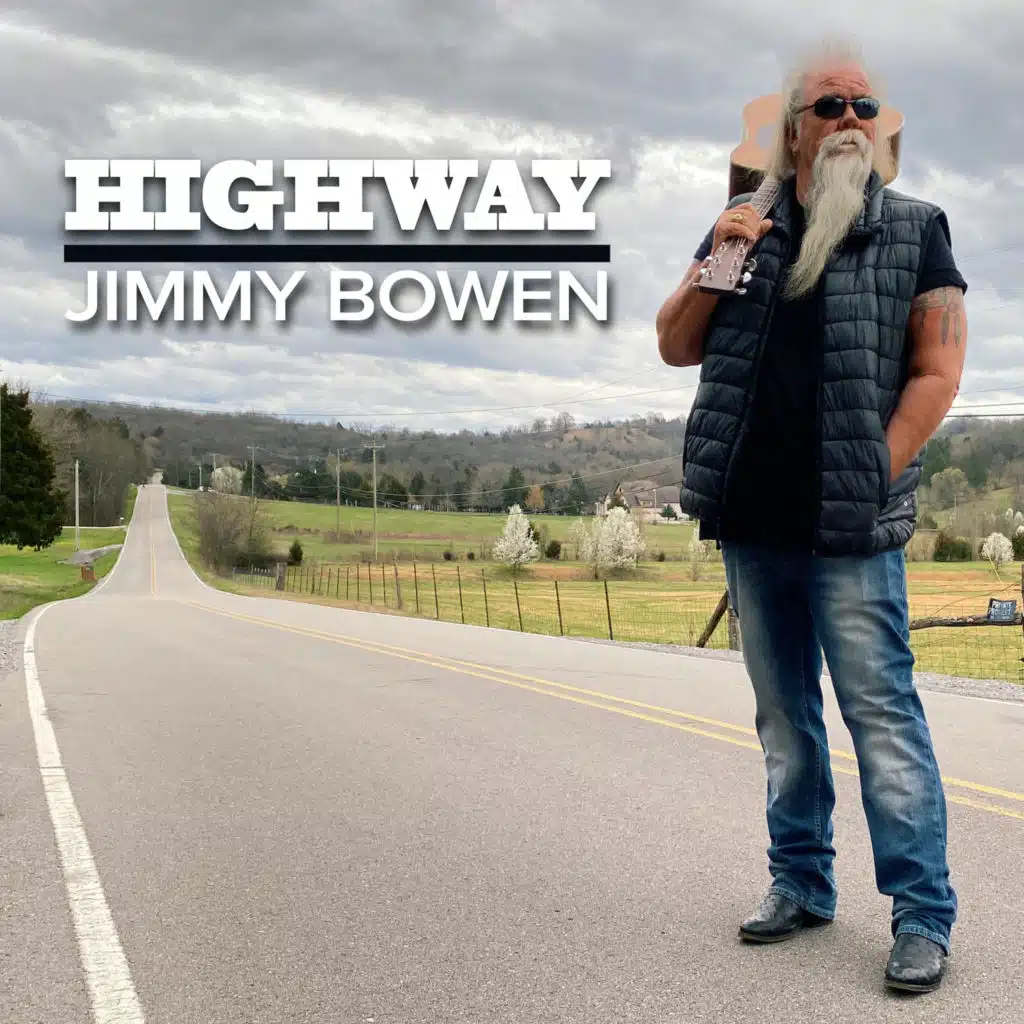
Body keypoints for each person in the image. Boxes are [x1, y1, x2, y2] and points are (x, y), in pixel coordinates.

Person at [656, 39, 967, 994]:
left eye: (864, 108)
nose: (849, 123)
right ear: (794, 128)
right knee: (784, 720)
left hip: (849, 529)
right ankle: (800, 881)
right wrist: (716, 258)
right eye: (830, 106)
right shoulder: (742, 228)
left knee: (882, 721)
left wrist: (873, 474)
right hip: (754, 522)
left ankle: (922, 915)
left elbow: (938, 371)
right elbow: (675, 345)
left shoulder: (916, 228)